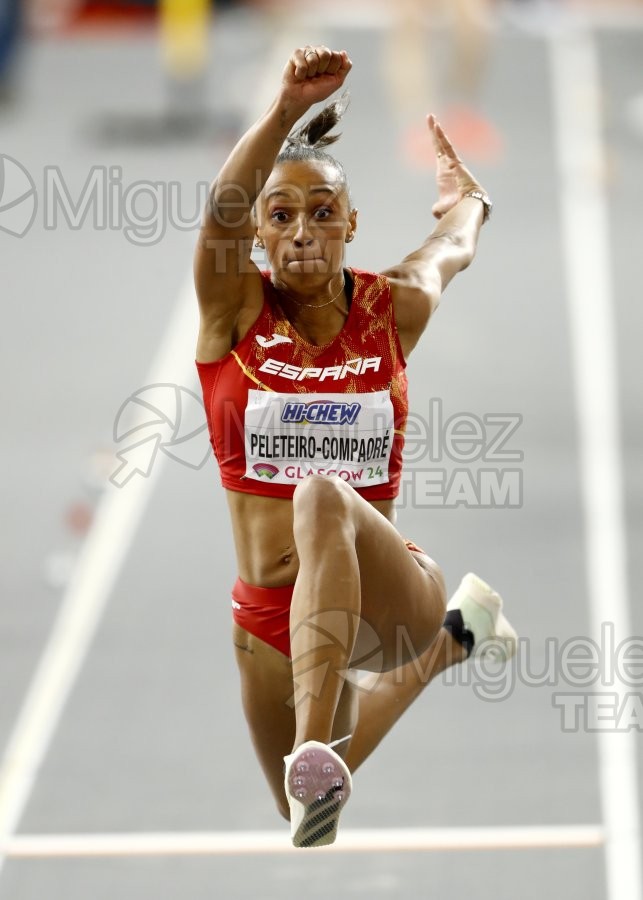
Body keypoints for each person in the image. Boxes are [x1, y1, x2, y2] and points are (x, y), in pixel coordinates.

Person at [194, 45, 517, 849]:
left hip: (384, 598)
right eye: (280, 216)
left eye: (322, 213)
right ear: (260, 235)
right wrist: (280, 112)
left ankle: (319, 743)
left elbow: (453, 246)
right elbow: (220, 214)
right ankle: (454, 641)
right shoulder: (233, 317)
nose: (301, 232)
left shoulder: (391, 309)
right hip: (269, 614)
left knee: (321, 495)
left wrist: (467, 199)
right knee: (295, 813)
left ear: (350, 224)